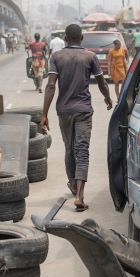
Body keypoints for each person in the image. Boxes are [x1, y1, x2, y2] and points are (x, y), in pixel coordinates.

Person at [40, 24, 113, 212]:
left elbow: (50, 86)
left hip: (64, 111)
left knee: (69, 148)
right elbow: (102, 82)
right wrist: (107, 98)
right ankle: (80, 196)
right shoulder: (90, 57)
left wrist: (44, 114)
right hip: (83, 110)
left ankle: (73, 184)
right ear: (81, 38)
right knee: (82, 150)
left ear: (65, 39)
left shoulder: (56, 57)